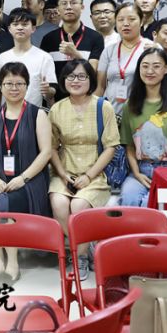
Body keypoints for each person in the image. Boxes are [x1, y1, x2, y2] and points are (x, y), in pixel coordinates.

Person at [0, 62, 53, 282]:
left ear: (27, 86)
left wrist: (22, 178)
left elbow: (46, 153)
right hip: (0, 178)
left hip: (30, 179)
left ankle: (12, 263)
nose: (14, 88)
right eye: (8, 83)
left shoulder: (38, 114)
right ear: (0, 86)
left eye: (19, 83)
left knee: (6, 203)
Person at [46, 59, 115, 276]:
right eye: (70, 76)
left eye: (81, 76)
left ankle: (80, 256)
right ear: (63, 80)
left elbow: (111, 147)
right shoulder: (56, 109)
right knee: (59, 204)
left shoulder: (103, 106)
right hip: (64, 171)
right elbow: (52, 148)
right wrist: (62, 174)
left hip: (94, 173)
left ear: (90, 80)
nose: (76, 81)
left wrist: (89, 176)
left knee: (78, 206)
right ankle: (84, 246)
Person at [119, 48, 167, 207]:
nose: (150, 71)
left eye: (156, 66)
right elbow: (129, 146)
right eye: (145, 66)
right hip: (142, 169)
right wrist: (137, 173)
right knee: (128, 199)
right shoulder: (130, 105)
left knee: (151, 203)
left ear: (166, 69)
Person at [95, 2, 154, 116]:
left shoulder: (150, 48)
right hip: (110, 114)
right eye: (120, 20)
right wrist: (95, 112)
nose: (126, 24)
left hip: (140, 115)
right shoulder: (109, 50)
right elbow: (100, 87)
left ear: (141, 21)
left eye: (131, 19)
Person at [40, 0, 104, 75]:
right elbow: (43, 73)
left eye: (73, 3)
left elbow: (93, 73)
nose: (68, 7)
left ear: (82, 7)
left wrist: (76, 55)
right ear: (58, 9)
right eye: (64, 3)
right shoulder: (48, 39)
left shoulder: (96, 38)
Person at [0, 8, 57, 106]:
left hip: (33, 112)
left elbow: (51, 92)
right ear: (9, 29)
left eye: (25, 24)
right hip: (6, 112)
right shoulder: (1, 58)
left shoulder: (44, 57)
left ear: (33, 28)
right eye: (15, 24)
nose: (20, 28)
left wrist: (48, 90)